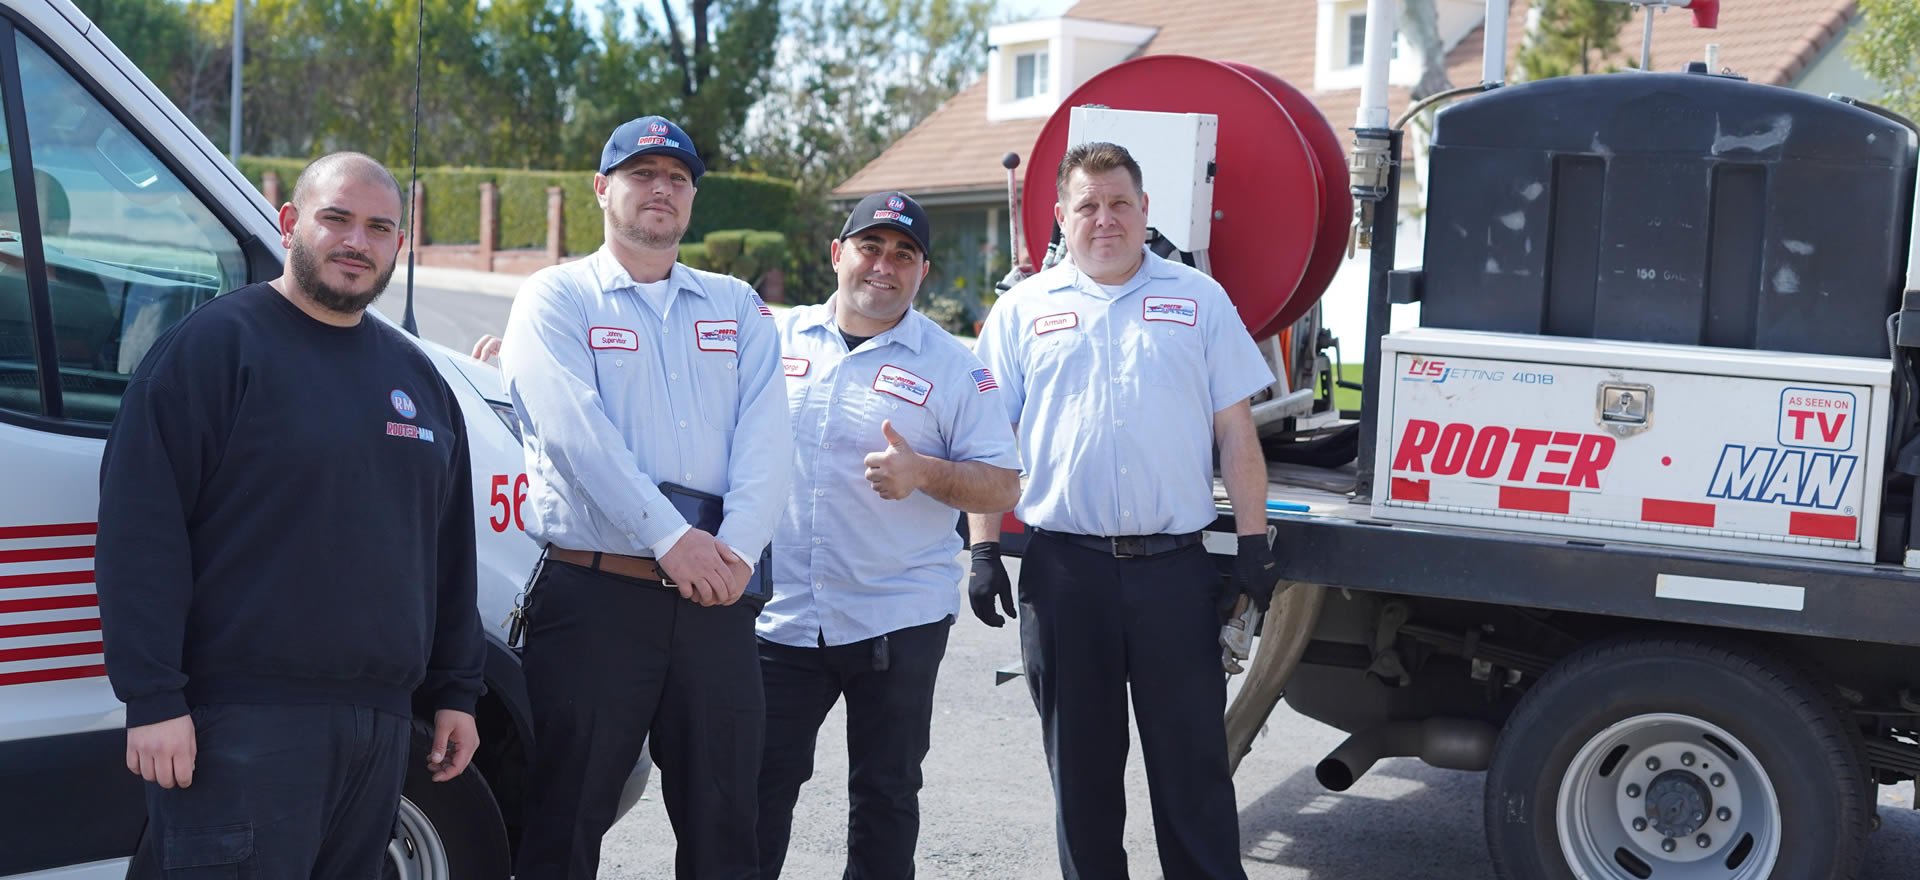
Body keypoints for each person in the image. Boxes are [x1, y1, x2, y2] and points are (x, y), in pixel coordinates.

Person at [95, 151, 485, 878]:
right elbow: (139, 532)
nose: (356, 242)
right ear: (288, 223)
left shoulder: (418, 379)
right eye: (336, 218)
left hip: (380, 728)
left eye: (378, 227)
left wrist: (457, 691)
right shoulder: (214, 349)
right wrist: (150, 697)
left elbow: (444, 550)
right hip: (239, 726)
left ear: (399, 244)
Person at [964, 141, 1285, 880]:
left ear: (1145, 211)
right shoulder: (1021, 311)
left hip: (1173, 575)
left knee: (1194, 775)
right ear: (1060, 216)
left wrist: (1252, 542)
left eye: (1118, 203)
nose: (1103, 219)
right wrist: (983, 550)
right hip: (1064, 572)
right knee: (1081, 780)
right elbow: (989, 444)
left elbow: (1235, 428)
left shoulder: (1198, 299)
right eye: (1087, 205)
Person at [501, 115, 792, 880]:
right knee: (565, 818)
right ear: (602, 190)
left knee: (727, 825)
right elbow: (576, 434)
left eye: (678, 177)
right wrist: (674, 539)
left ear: (693, 198)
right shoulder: (556, 298)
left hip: (716, 603)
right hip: (597, 596)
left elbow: (768, 439)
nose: (660, 188)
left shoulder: (738, 308)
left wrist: (737, 553)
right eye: (641, 173)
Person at [757, 192, 1021, 878]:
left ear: (922, 272)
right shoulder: (772, 342)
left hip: (895, 618)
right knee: (755, 792)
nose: (885, 265)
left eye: (904, 254)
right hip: (779, 617)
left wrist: (923, 472)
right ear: (838, 254)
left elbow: (1001, 485)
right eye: (870, 247)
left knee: (885, 796)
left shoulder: (956, 368)